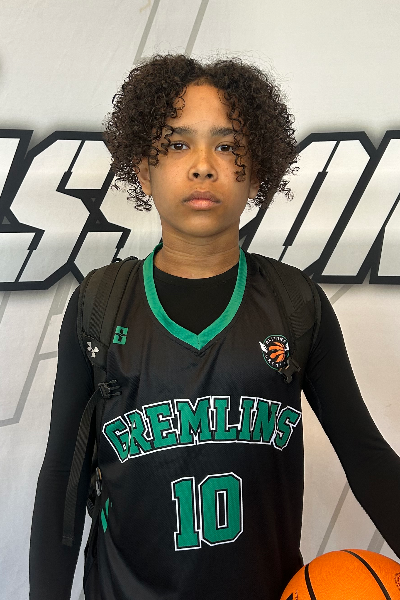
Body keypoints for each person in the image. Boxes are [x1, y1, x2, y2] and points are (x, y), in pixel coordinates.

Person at [29, 54, 400, 600]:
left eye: (227, 147)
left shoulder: (296, 304)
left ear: (257, 174)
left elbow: (366, 458)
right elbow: (63, 477)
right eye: (178, 144)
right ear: (143, 171)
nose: (203, 165)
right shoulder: (100, 306)